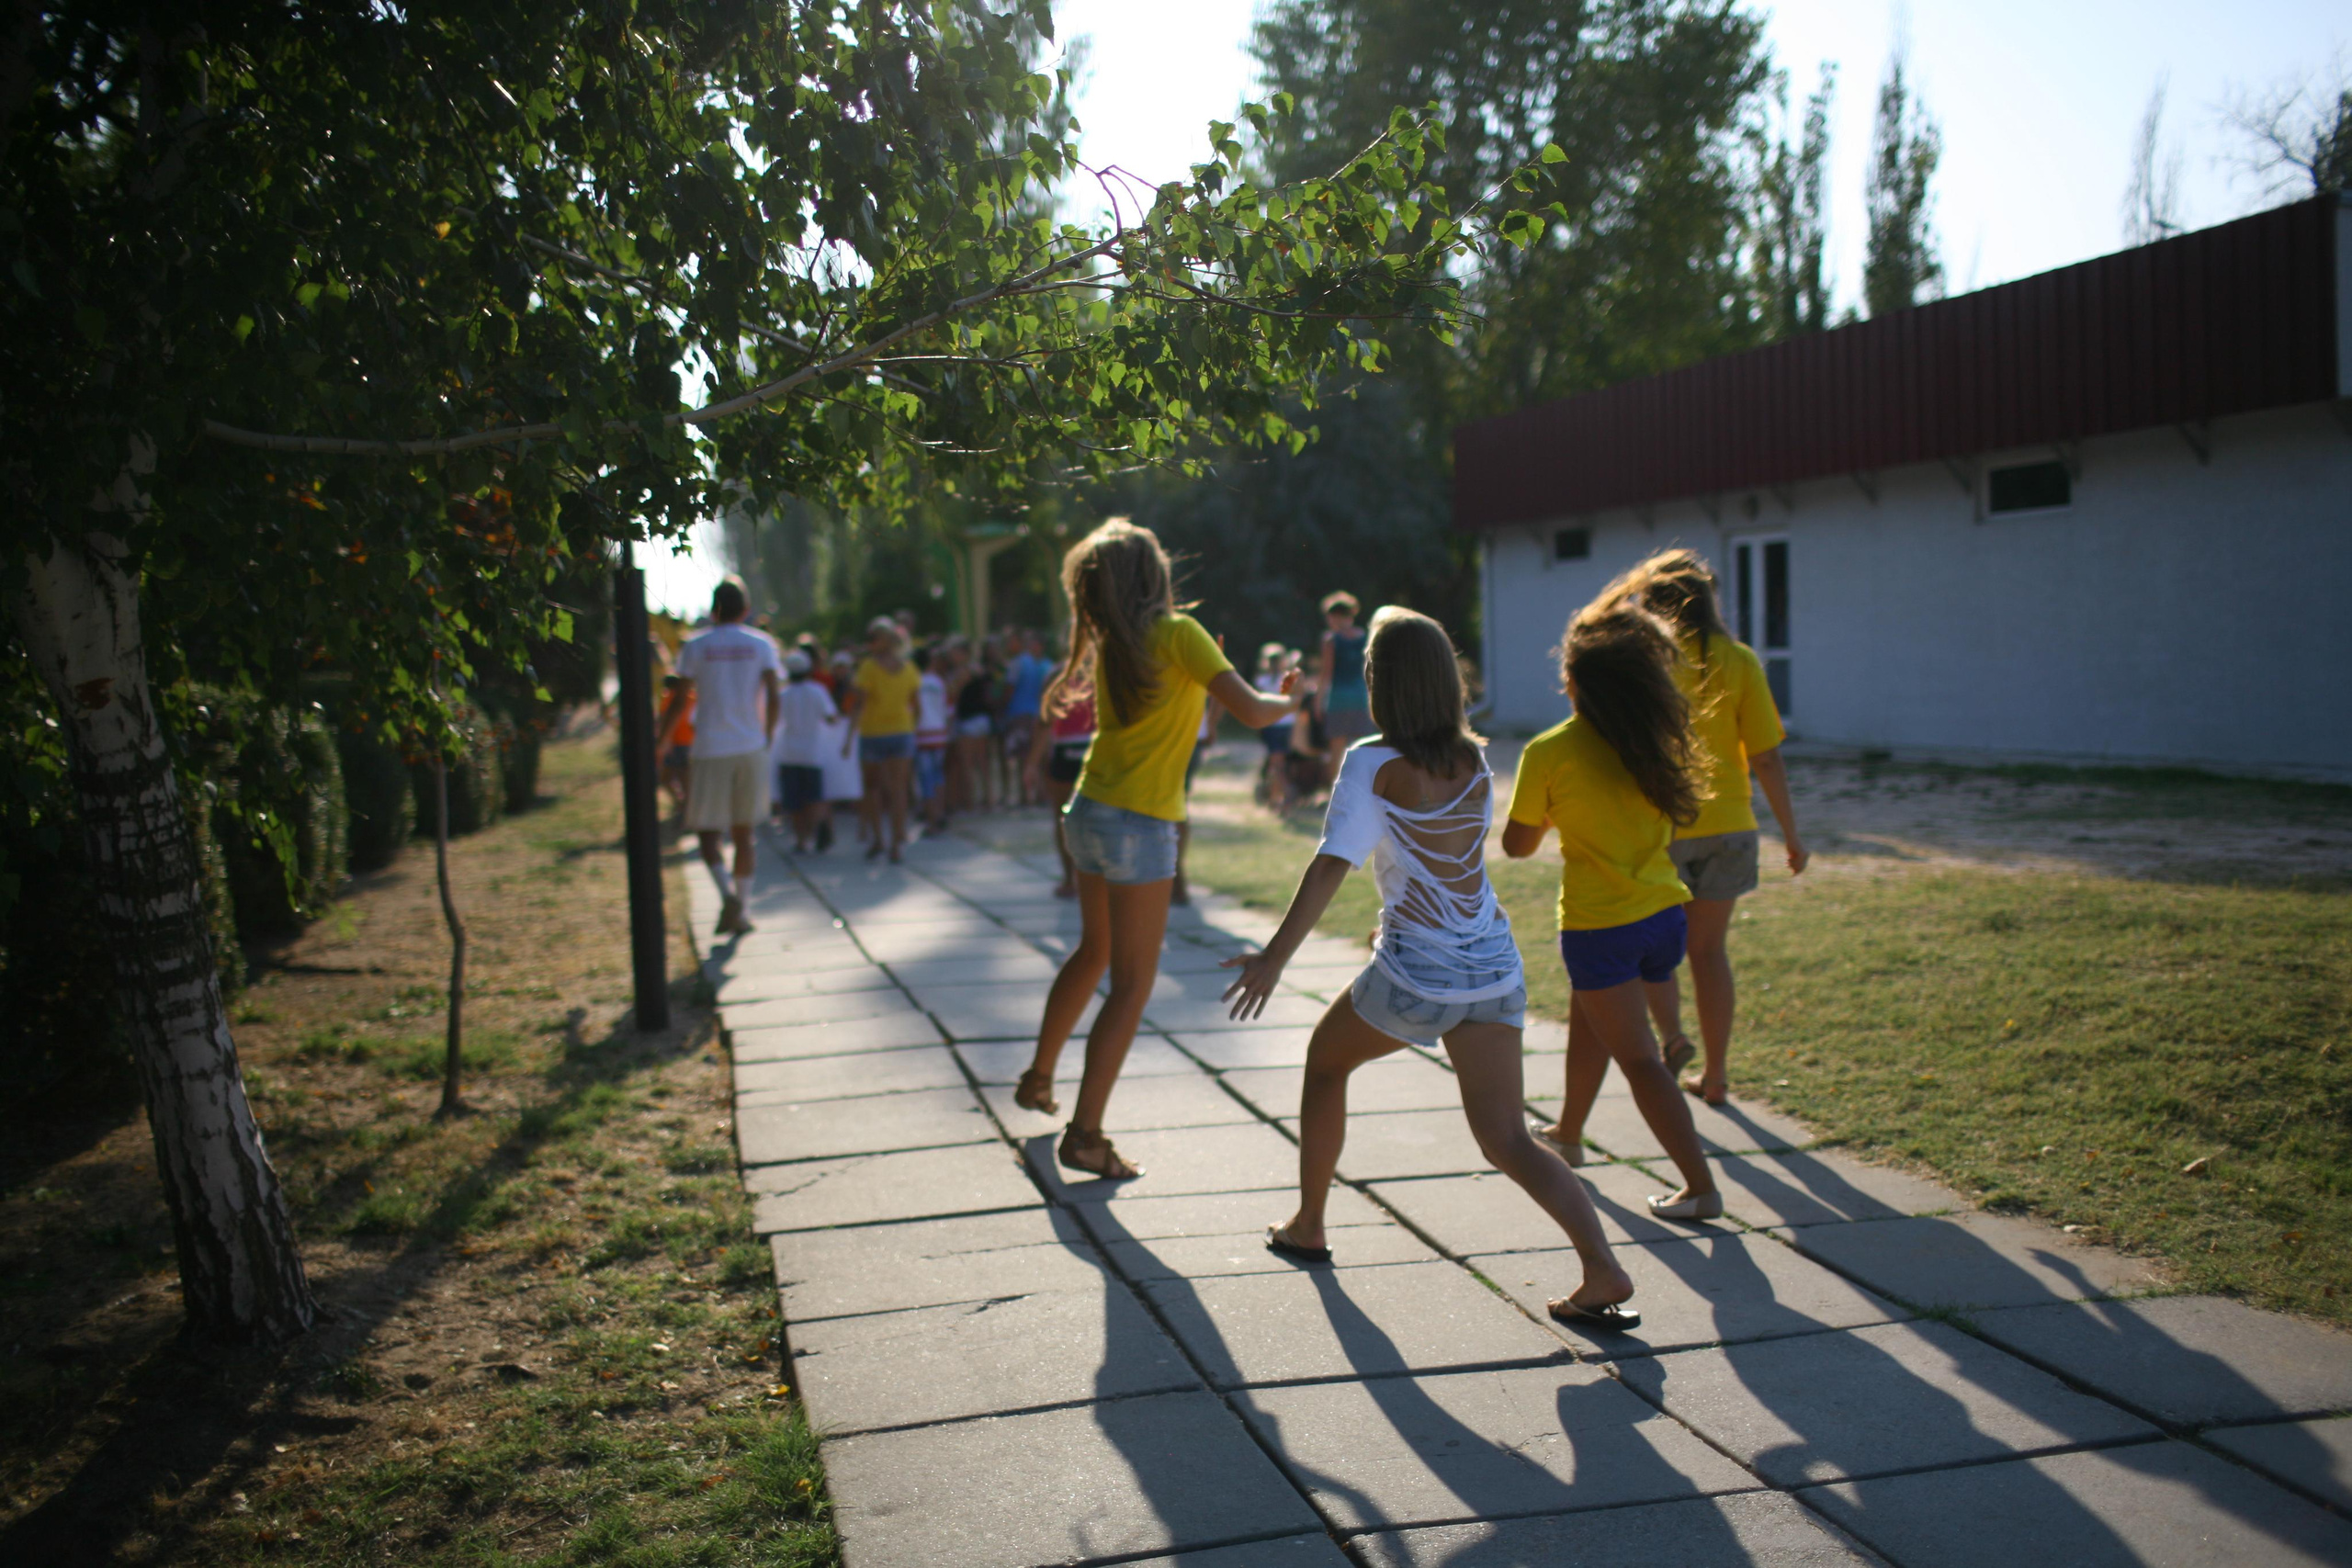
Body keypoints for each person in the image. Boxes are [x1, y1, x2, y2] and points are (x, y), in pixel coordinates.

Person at [1222, 607, 1637, 1327]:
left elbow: (1330, 867)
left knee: (1325, 1064)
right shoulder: (1472, 757)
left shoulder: (1371, 762)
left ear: (1382, 683)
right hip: (1495, 972)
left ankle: (1309, 1224)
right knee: (1509, 1137)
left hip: (1420, 975)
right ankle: (1602, 1267)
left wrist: (1273, 959)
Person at [1015, 519, 1299, 1179]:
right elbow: (1258, 712)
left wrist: (1218, 682)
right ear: (1155, 573)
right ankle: (1085, 1136)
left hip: (1087, 812)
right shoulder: (1178, 633)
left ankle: (1038, 1076)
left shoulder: (1117, 641)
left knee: (1094, 953)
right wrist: (1292, 697)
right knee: (1133, 983)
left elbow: (1187, 719)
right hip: (1139, 826)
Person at [1503, 596, 1722, 1222]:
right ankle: (1568, 1134)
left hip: (1602, 927)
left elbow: (1518, 846)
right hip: (1663, 917)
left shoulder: (1549, 751)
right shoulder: (1649, 740)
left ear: (1571, 681)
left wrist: (1549, 812)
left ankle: (1700, 1185)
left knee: (1639, 1060)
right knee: (1590, 1016)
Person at [1618, 549, 1808, 1105]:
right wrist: (1792, 836)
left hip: (1664, 829)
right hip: (1730, 828)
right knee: (1709, 952)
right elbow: (1767, 757)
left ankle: (1673, 1041)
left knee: (1659, 952)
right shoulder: (1740, 659)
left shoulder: (1643, 660)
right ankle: (1718, 1076)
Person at [667, 579, 782, 935]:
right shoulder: (761, 645)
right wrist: (765, 737)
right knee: (744, 833)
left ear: (714, 609)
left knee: (706, 832)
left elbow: (678, 699)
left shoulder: (696, 646)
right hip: (749, 747)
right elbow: (775, 696)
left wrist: (661, 741)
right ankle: (742, 911)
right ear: (746, 609)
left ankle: (726, 896)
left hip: (710, 748)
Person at [840, 615, 921, 862]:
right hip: (901, 732)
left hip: (874, 734)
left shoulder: (868, 668)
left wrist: (848, 739)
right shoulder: (908, 668)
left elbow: (858, 705)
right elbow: (916, 706)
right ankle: (898, 841)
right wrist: (911, 731)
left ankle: (879, 839)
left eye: (873, 637)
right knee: (898, 791)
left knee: (872, 790)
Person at [1031, 663, 1097, 897]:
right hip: (1092, 750)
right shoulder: (1101, 673)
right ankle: (1084, 879)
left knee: (1064, 819)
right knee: (1090, 820)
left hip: (1066, 751)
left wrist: (1031, 764)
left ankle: (1071, 879)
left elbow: (1044, 723)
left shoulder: (1056, 677)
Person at [773, 650, 838, 852]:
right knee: (814, 798)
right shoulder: (817, 691)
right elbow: (831, 718)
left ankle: (801, 839)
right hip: (813, 753)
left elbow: (775, 721)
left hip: (789, 753)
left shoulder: (783, 694)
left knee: (794, 802)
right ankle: (816, 830)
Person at [1316, 591, 1371, 785]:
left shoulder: (1330, 640)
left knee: (1336, 752)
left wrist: (1317, 701)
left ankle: (1335, 793)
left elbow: (1326, 674)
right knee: (1361, 750)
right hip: (1360, 697)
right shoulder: (1364, 637)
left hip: (1338, 699)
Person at [1004, 627, 1051, 807]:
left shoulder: (1018, 663)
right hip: (1039, 714)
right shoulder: (1047, 665)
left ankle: (1026, 796)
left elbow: (1010, 688)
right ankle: (1041, 794)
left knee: (1023, 755)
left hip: (1020, 714)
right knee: (1040, 755)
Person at [951, 639, 997, 814]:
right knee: (983, 762)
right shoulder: (980, 670)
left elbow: (954, 693)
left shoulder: (964, 672)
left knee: (968, 763)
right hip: (982, 719)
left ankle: (970, 802)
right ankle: (988, 799)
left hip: (969, 720)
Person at [1254, 643, 1297, 813]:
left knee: (1277, 763)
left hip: (1283, 725)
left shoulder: (1287, 679)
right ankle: (1276, 797)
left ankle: (1285, 793)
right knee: (1275, 763)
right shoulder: (1262, 681)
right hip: (1271, 725)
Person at [913, 643, 952, 834]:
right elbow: (948, 709)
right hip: (939, 733)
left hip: (921, 736)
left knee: (925, 779)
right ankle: (941, 813)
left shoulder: (913, 682)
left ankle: (931, 820)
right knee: (938, 776)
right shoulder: (939, 682)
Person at [656, 674, 695, 815]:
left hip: (677, 744)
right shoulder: (692, 697)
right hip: (684, 743)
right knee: (682, 779)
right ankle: (683, 805)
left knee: (672, 778)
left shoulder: (669, 699)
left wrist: (663, 741)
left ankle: (684, 807)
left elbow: (663, 720)